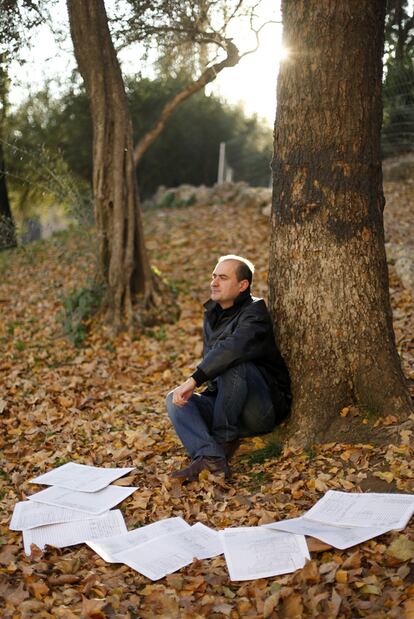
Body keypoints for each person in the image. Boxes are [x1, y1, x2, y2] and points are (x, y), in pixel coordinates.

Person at [166, 254, 290, 481]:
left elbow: (231, 349)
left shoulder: (255, 312)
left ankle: (223, 439)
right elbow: (212, 358)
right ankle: (210, 456)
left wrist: (194, 380)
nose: (214, 282)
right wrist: (194, 389)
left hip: (260, 409)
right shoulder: (211, 314)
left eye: (222, 278)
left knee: (233, 365)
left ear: (243, 285)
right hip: (227, 402)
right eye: (214, 276)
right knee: (174, 400)